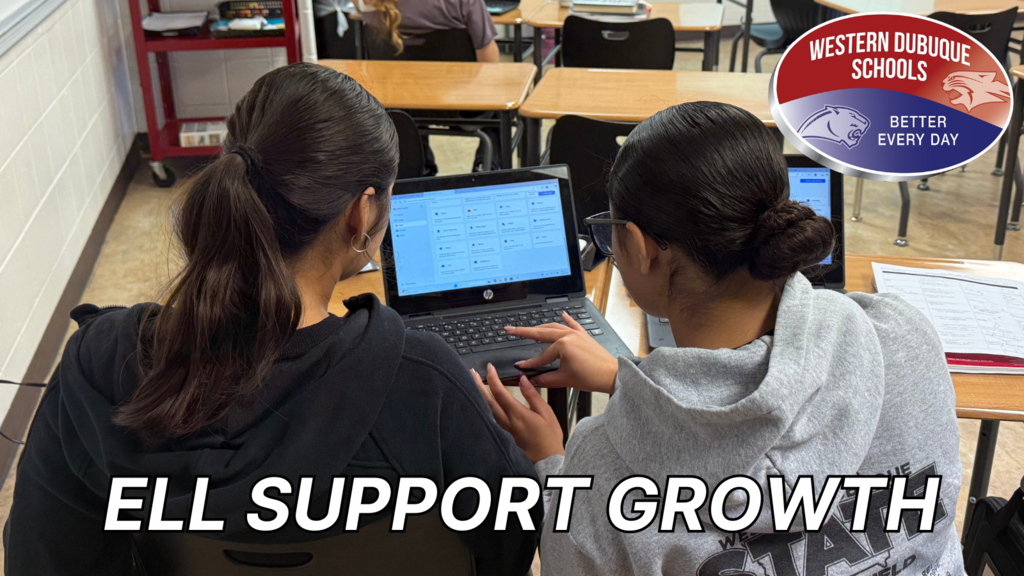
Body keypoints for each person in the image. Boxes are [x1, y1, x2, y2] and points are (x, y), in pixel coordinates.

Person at [4, 63, 539, 575]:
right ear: (363, 211)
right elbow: (513, 549)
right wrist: (548, 458)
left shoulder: (99, 364)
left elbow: (41, 555)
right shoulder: (426, 384)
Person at [473, 102, 965, 576]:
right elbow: (773, 412)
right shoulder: (903, 334)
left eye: (612, 231)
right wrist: (630, 381)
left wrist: (552, 464)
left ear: (643, 250)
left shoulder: (605, 470)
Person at [362, 0, 502, 174]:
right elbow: (490, 63)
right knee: (503, 96)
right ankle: (486, 168)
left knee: (411, 86)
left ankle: (421, 166)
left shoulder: (371, 2)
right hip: (463, 107)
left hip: (398, 108)